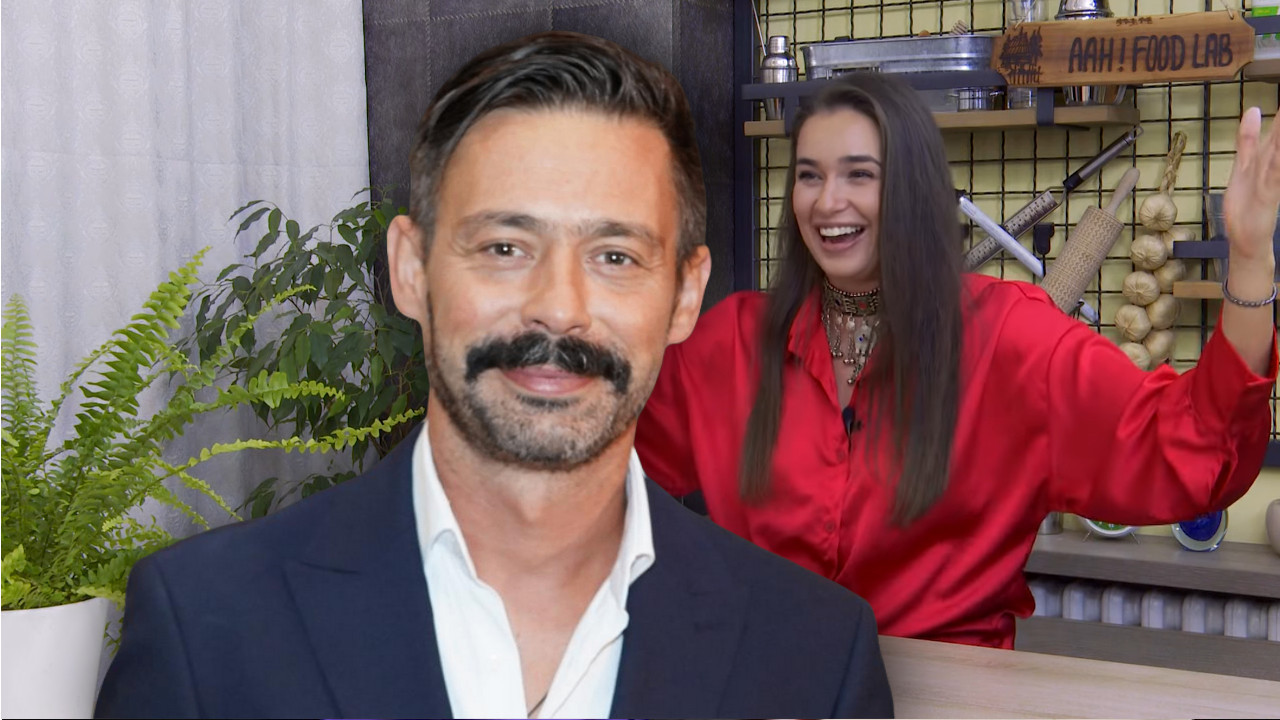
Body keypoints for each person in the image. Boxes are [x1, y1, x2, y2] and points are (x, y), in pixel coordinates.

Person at [95, 31, 894, 720]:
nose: (558, 309)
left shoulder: (815, 654)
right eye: (505, 248)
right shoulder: (207, 627)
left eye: (615, 257)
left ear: (686, 296)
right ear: (411, 269)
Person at [636, 71, 1279, 650]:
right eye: (809, 175)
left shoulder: (1013, 339)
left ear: (914, 188)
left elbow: (1195, 449)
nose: (828, 201)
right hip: (768, 689)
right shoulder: (731, 341)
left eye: (859, 174)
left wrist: (1249, 258)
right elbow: (611, 466)